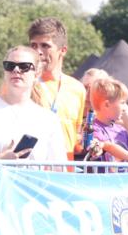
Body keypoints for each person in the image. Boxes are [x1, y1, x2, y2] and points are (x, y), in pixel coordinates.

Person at [29, 18, 87, 160]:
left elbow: (75, 140)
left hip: (64, 172)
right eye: (33, 46)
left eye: (45, 46)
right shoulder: (23, 85)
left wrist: (92, 145)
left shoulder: (78, 89)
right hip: (32, 169)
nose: (38, 52)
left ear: (63, 50)